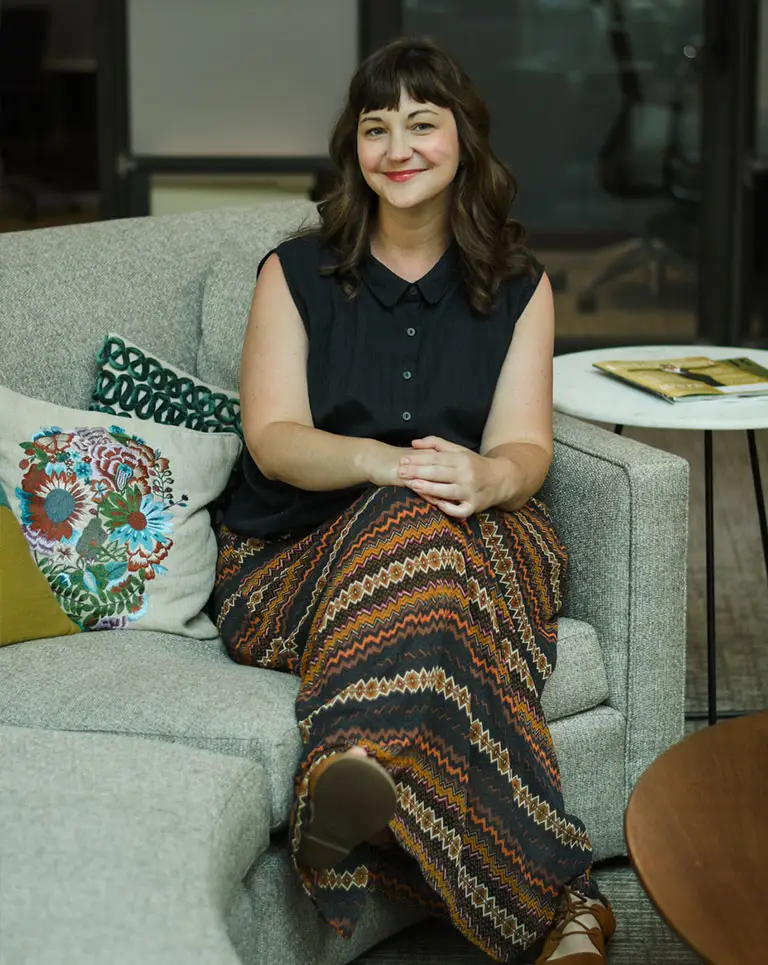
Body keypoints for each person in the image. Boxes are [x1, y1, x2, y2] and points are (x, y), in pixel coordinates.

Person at [213, 36, 616, 965]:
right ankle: (565, 907)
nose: (397, 145)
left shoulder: (519, 287)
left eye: (422, 123)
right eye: (375, 126)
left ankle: (353, 767)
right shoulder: (295, 273)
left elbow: (525, 449)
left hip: (477, 532)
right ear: (353, 148)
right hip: (294, 565)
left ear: (464, 141)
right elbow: (273, 439)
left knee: (439, 538)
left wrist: (487, 477)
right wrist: (382, 464)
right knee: (415, 529)